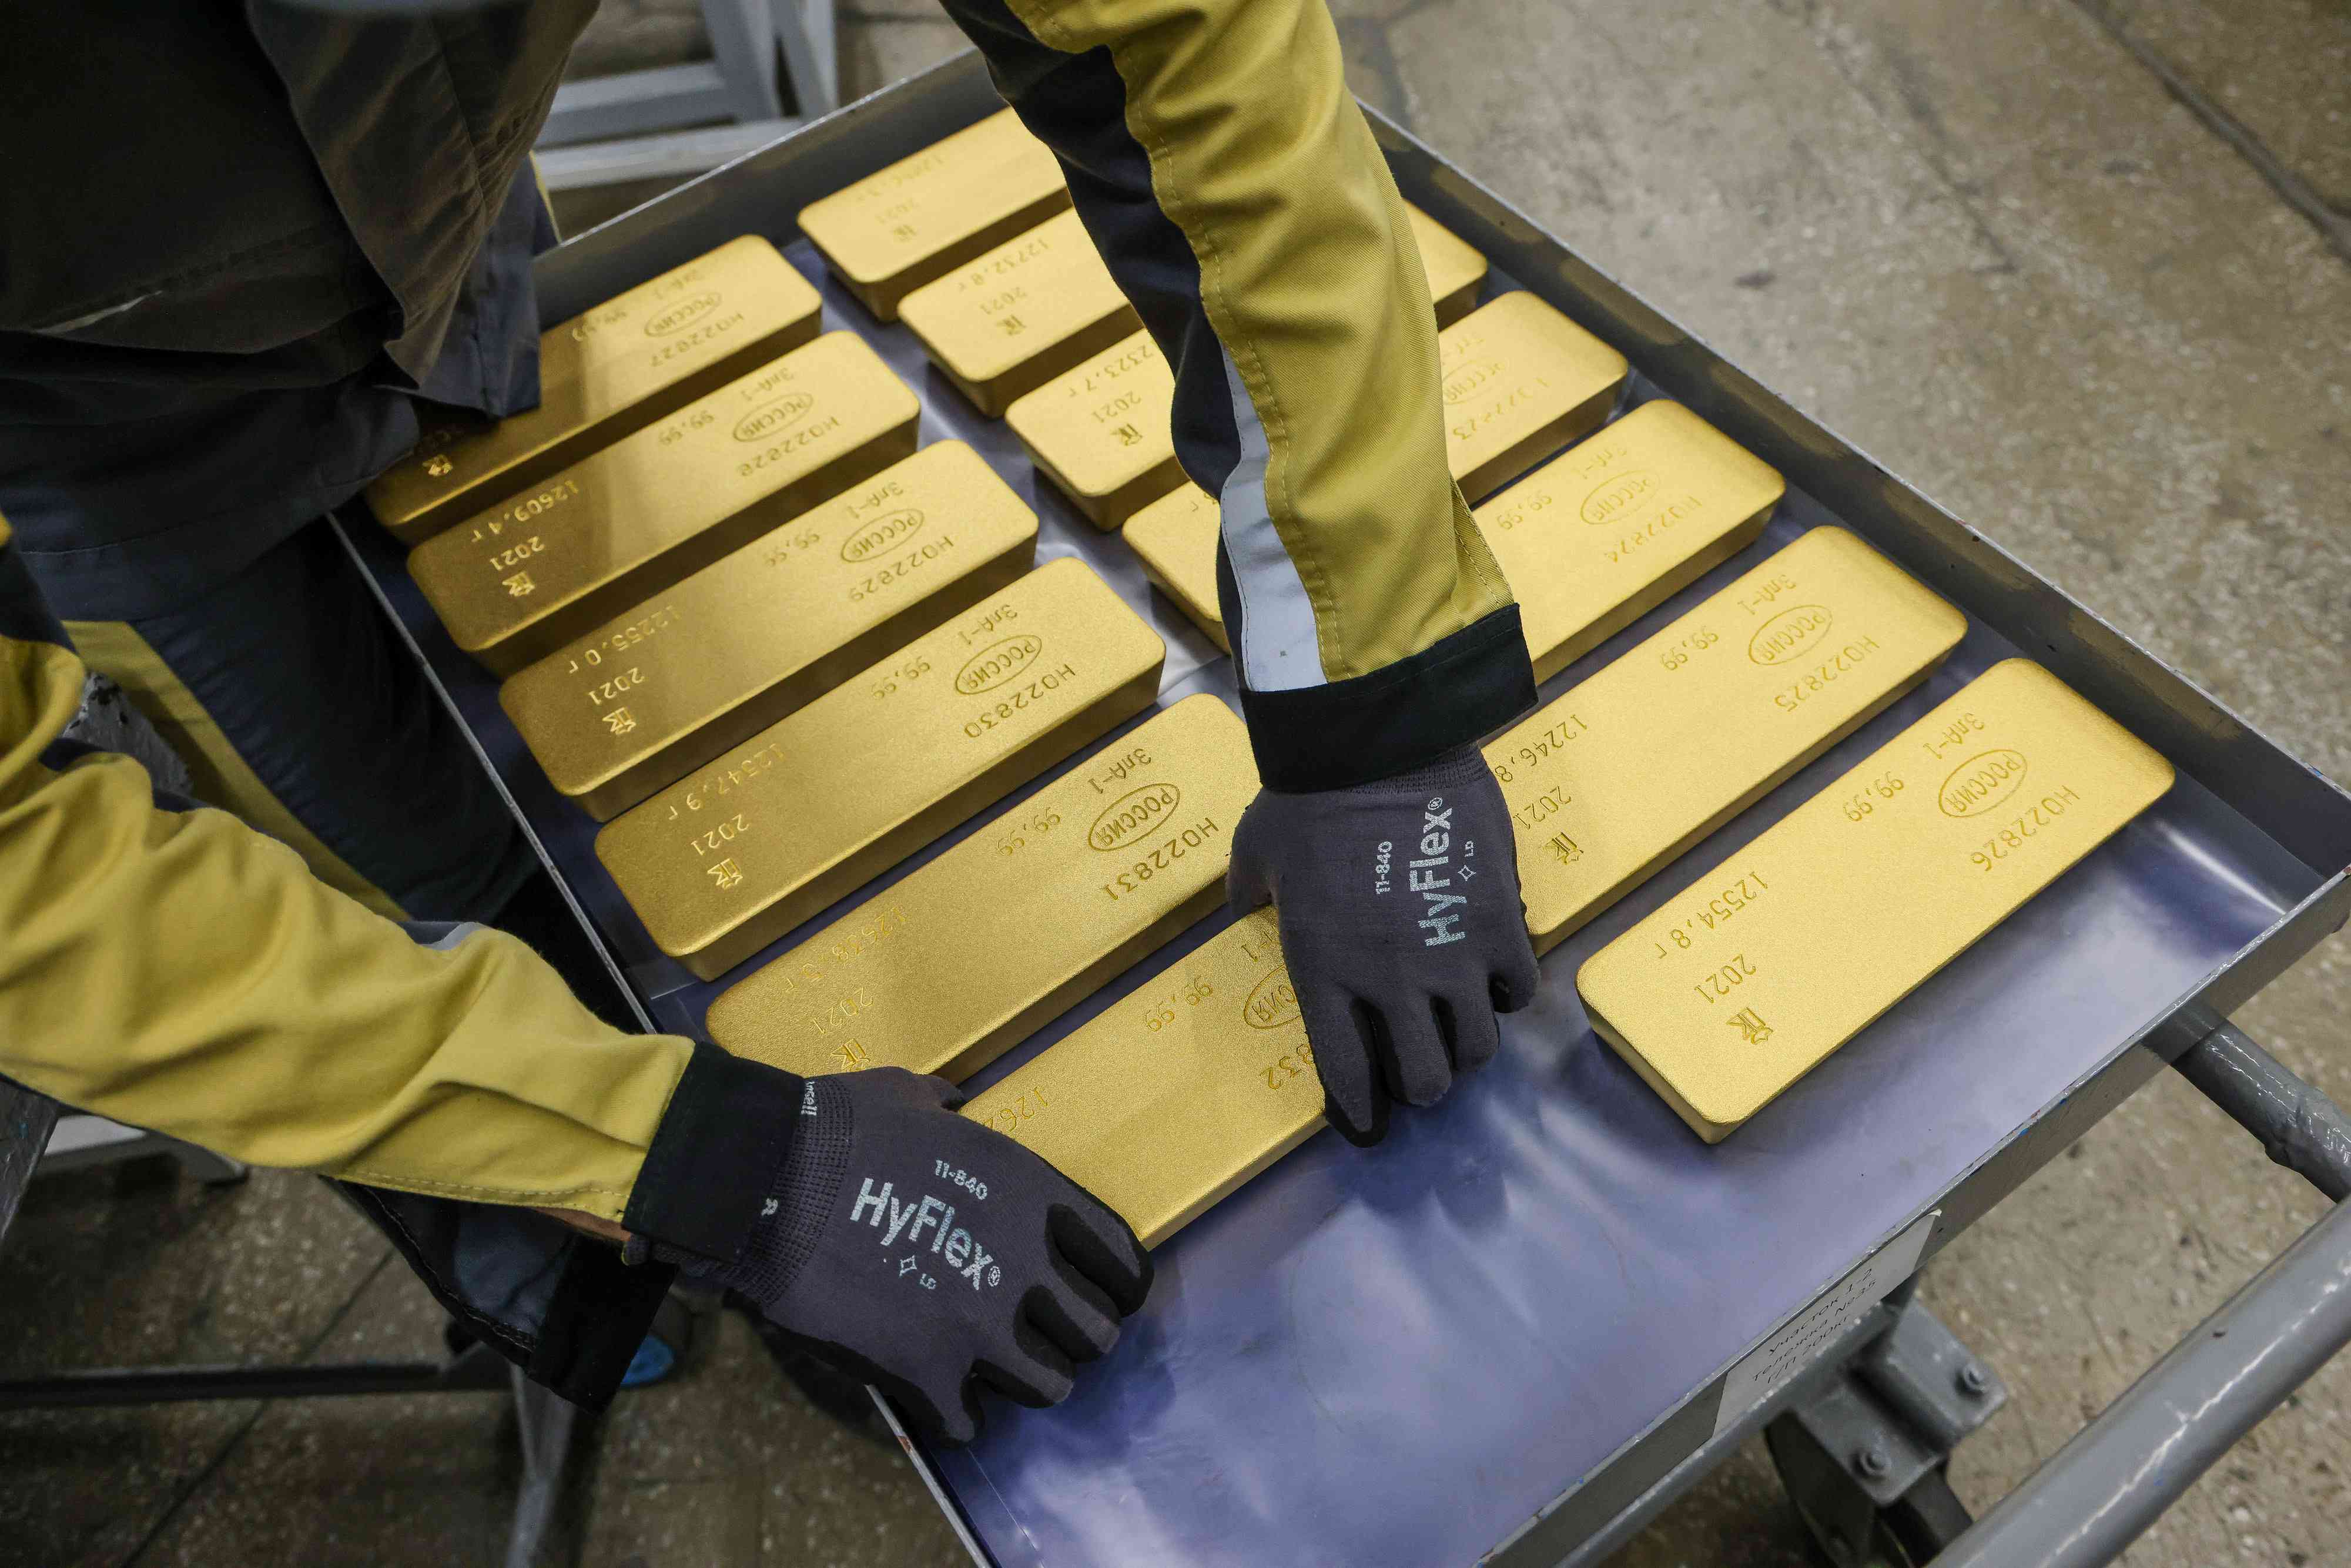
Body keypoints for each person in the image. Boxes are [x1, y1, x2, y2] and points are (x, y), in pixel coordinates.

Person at [0, 0, 1539, 1440]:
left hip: (432, 239)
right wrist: (703, 1172)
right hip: (105, 431)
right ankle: (565, 1242)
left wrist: (1374, 681)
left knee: (606, 747)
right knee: (420, 858)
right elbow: (29, 888)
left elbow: (1183, 39)